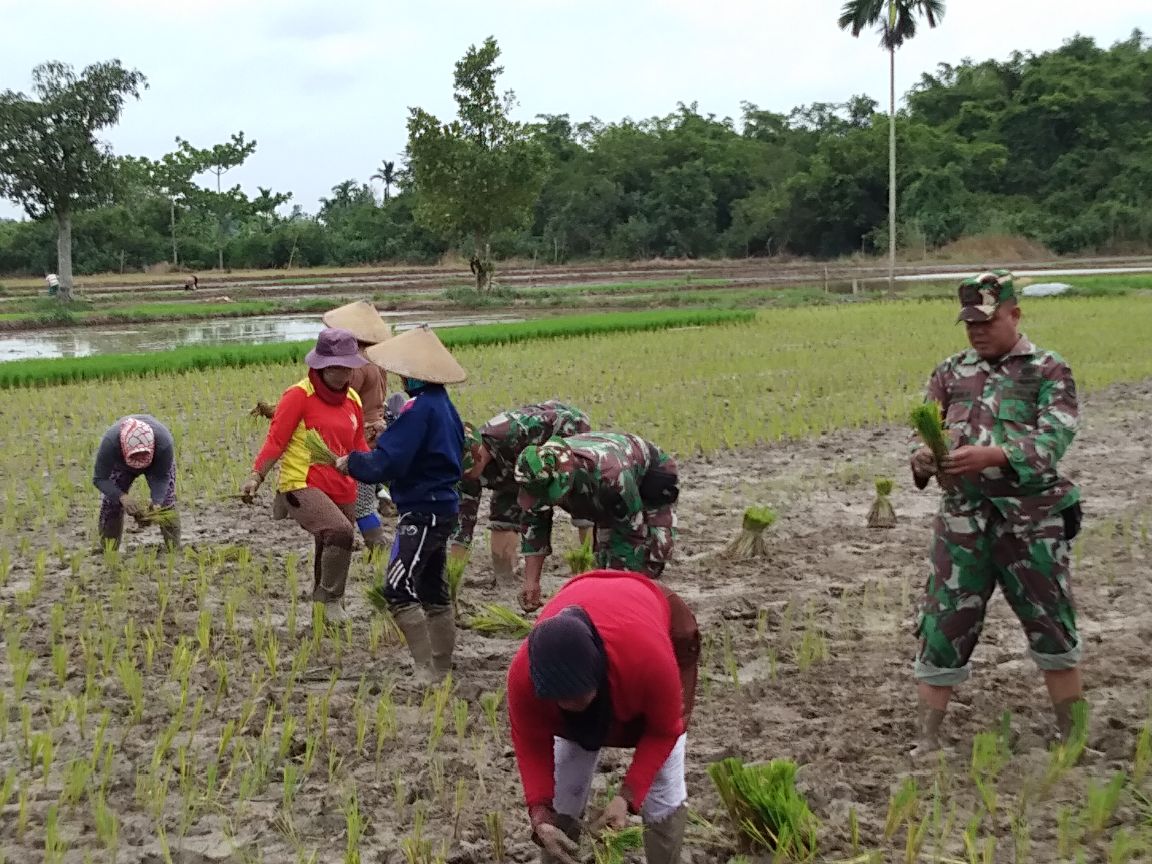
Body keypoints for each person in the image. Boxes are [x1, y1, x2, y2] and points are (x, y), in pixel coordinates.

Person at [909, 270, 1087, 756]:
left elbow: (1054, 437)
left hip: (1032, 523)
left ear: (1014, 314)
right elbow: (925, 436)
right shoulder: (949, 373)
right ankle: (927, 741)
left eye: (986, 321)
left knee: (1051, 621)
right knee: (943, 623)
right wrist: (924, 458)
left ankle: (1072, 737)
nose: (976, 331)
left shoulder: (1047, 370)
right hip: (962, 524)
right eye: (969, 322)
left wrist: (996, 455)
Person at [507, 569, 700, 864]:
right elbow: (531, 744)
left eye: (577, 695)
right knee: (565, 785)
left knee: (664, 783)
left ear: (598, 673)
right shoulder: (524, 678)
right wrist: (540, 814)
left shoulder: (650, 663)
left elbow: (664, 731)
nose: (568, 703)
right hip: (585, 599)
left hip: (649, 616)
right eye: (560, 698)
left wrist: (628, 797)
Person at [337, 324, 466, 681]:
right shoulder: (442, 406)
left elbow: (388, 463)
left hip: (422, 511)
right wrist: (390, 432)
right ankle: (441, 665)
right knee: (431, 587)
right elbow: (421, 447)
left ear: (412, 374)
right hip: (442, 507)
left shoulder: (420, 410)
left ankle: (427, 668)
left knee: (398, 586)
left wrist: (353, 462)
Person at [240, 328, 370, 624]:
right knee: (341, 532)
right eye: (337, 366)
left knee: (331, 545)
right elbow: (276, 440)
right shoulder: (299, 395)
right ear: (321, 365)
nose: (344, 373)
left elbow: (358, 446)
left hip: (342, 485)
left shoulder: (353, 400)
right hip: (302, 484)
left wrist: (383, 466)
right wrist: (256, 476)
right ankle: (331, 600)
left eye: (349, 366)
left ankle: (322, 611)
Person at [251, 300, 393, 552]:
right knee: (354, 514)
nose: (344, 374)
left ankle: (377, 547)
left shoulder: (355, 373)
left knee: (356, 512)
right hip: (356, 450)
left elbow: (336, 411)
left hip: (351, 453)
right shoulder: (376, 361)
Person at [513, 433, 679, 611]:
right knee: (602, 559)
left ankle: (643, 606)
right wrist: (531, 582)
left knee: (649, 554)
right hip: (603, 481)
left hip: (651, 475)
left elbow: (631, 533)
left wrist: (622, 586)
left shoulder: (610, 476)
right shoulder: (536, 477)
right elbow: (534, 527)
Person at [453, 401, 593, 584]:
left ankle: (592, 569)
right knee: (502, 512)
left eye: (468, 467)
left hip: (563, 435)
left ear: (478, 453)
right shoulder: (467, 474)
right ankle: (504, 577)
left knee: (581, 505)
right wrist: (451, 574)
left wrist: (562, 462)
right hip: (509, 469)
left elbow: (567, 421)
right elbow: (463, 523)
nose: (466, 473)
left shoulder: (515, 431)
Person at [92, 415, 180, 551]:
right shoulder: (110, 443)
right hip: (122, 464)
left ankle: (173, 548)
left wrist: (157, 502)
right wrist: (122, 497)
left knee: (166, 503)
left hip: (155, 462)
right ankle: (109, 550)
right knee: (111, 503)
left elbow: (162, 477)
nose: (139, 464)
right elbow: (99, 478)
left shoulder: (164, 443)